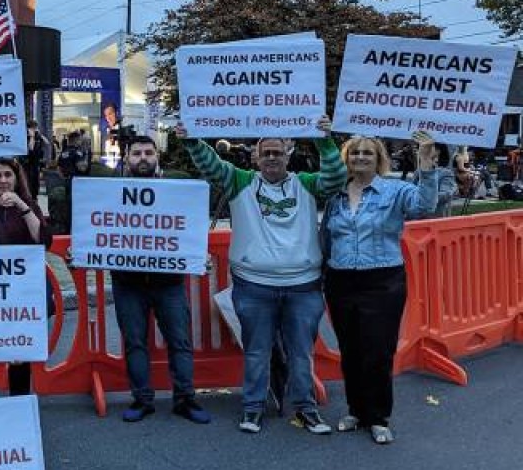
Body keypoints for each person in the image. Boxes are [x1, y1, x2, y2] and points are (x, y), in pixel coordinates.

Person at [177, 117, 345, 435]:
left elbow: (336, 178)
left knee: (301, 353)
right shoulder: (239, 181)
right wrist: (191, 142)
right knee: (256, 352)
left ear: (288, 155)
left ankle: (306, 409)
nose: (271, 158)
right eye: (265, 153)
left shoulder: (307, 183)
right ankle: (252, 409)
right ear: (256, 157)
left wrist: (324, 140)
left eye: (277, 153)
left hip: (303, 286)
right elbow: (211, 165)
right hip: (254, 286)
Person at [322, 132, 437, 445]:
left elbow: (425, 206)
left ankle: (378, 417)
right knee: (351, 351)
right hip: (341, 280)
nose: (360, 158)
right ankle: (355, 410)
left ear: (379, 159)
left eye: (367, 154)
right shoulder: (335, 195)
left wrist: (425, 161)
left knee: (377, 351)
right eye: (355, 153)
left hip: (382, 281)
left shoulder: (396, 190)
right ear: (347, 158)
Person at [101, 136, 212, 424]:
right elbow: (99, 226)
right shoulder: (109, 193)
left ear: (157, 157)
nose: (142, 158)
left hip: (169, 282)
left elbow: (188, 226)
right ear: (126, 158)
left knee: (180, 341)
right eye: (136, 153)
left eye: (148, 152)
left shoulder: (177, 192)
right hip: (128, 283)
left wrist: (200, 251)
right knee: (135, 342)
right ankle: (141, 400)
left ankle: (185, 399)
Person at [0, 158, 52, 399]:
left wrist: (23, 207)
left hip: (20, 293)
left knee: (19, 353)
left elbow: (43, 242)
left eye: (8, 175)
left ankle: (19, 405)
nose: (3, 180)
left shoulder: (29, 205)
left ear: (16, 179)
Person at [22, 121, 46, 197]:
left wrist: (40, 135)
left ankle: (34, 196)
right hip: (28, 162)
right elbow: (31, 148)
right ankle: (29, 195)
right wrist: (31, 137)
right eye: (34, 127)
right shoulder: (26, 136)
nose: (35, 129)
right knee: (29, 179)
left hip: (35, 162)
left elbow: (47, 142)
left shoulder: (37, 135)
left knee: (35, 180)